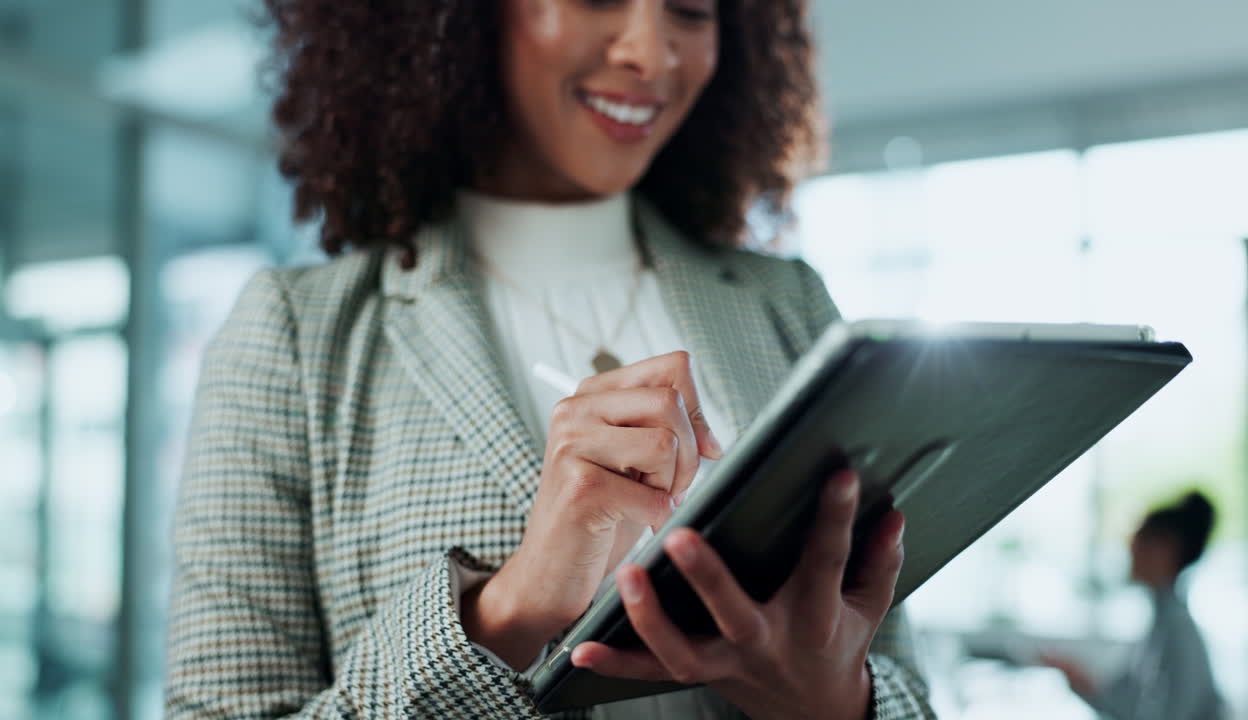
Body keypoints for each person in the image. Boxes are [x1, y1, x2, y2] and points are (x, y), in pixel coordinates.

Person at [164, 1, 935, 718]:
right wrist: (508, 610)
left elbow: (903, 679)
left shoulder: (790, 305)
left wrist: (838, 701)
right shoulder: (296, 336)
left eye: (692, 10)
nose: (650, 51)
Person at [1041, 491, 1224, 720]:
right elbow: (1128, 702)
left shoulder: (1178, 630)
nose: (1130, 548)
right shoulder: (1160, 624)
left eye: (1140, 539)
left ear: (1166, 549)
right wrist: (1082, 683)